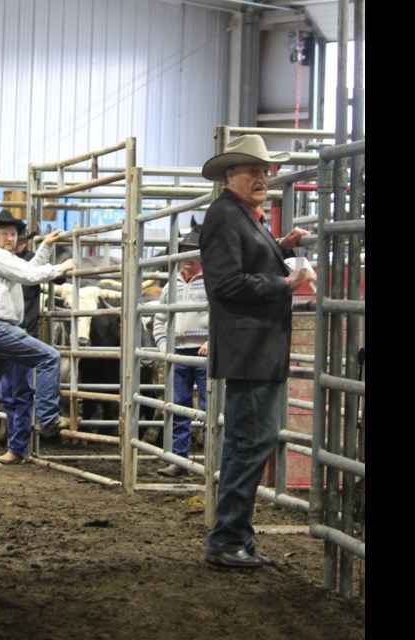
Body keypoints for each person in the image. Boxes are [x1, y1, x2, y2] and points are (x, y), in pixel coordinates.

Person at [198, 134, 316, 569]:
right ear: (230, 175)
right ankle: (227, 538)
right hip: (250, 347)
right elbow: (226, 284)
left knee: (246, 441)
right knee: (254, 440)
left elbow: (241, 268)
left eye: (265, 170)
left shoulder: (238, 215)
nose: (262, 177)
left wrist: (279, 249)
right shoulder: (227, 216)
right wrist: (286, 281)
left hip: (253, 347)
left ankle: (233, 537)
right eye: (252, 170)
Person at [0, 211, 74, 465]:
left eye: (13, 234)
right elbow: (28, 276)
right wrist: (62, 267)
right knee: (50, 356)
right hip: (0, 328)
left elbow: (27, 271)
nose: (10, 238)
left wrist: (45, 247)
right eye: (5, 233)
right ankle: (48, 419)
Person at [152, 220, 207, 478]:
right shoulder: (170, 285)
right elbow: (160, 320)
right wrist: (163, 343)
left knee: (209, 407)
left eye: (192, 251)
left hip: (204, 352)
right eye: (184, 250)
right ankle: (179, 459)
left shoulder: (211, 282)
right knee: (177, 406)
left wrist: (213, 341)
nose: (187, 256)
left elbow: (222, 316)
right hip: (179, 352)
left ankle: (212, 462)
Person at [0, 226, 42, 464]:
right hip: (6, 334)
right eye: (11, 236)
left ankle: (18, 448)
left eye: (18, 237)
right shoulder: (4, 260)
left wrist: (44, 254)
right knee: (9, 394)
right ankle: (14, 446)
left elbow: (58, 276)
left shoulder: (30, 260)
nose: (15, 241)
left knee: (20, 393)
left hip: (23, 334)